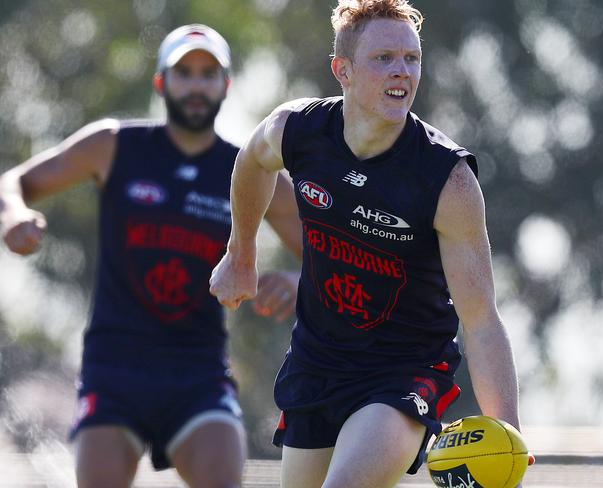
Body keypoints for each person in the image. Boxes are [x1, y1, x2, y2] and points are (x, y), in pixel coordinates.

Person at [210, 1, 532, 487]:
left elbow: (481, 317)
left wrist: (508, 431)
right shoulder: (297, 130)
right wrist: (241, 255)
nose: (402, 70)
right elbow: (253, 161)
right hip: (316, 362)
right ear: (343, 70)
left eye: (412, 58)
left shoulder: (448, 180)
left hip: (403, 371)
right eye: (384, 58)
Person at [0, 24, 302, 488]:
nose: (196, 84)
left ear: (226, 85)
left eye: (209, 73)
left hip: (199, 373)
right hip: (113, 369)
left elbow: (334, 253)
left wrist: (301, 279)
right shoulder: (113, 145)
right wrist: (14, 216)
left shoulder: (248, 171)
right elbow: (13, 183)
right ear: (161, 82)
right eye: (184, 72)